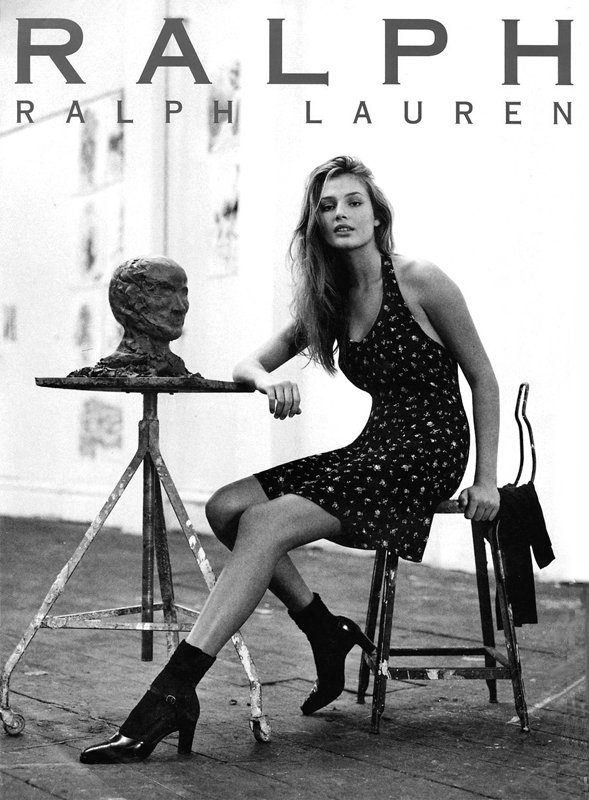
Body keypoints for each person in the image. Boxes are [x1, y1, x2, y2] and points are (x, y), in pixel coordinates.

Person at [80, 155, 500, 764]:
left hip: (427, 451)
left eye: (353, 202)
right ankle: (324, 630)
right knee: (226, 507)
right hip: (375, 446)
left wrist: (486, 479)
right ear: (316, 224)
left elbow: (483, 378)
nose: (341, 214)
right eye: (327, 207)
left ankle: (171, 694)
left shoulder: (420, 280)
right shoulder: (330, 300)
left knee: (265, 523)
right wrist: (266, 382)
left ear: (377, 215)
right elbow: (248, 364)